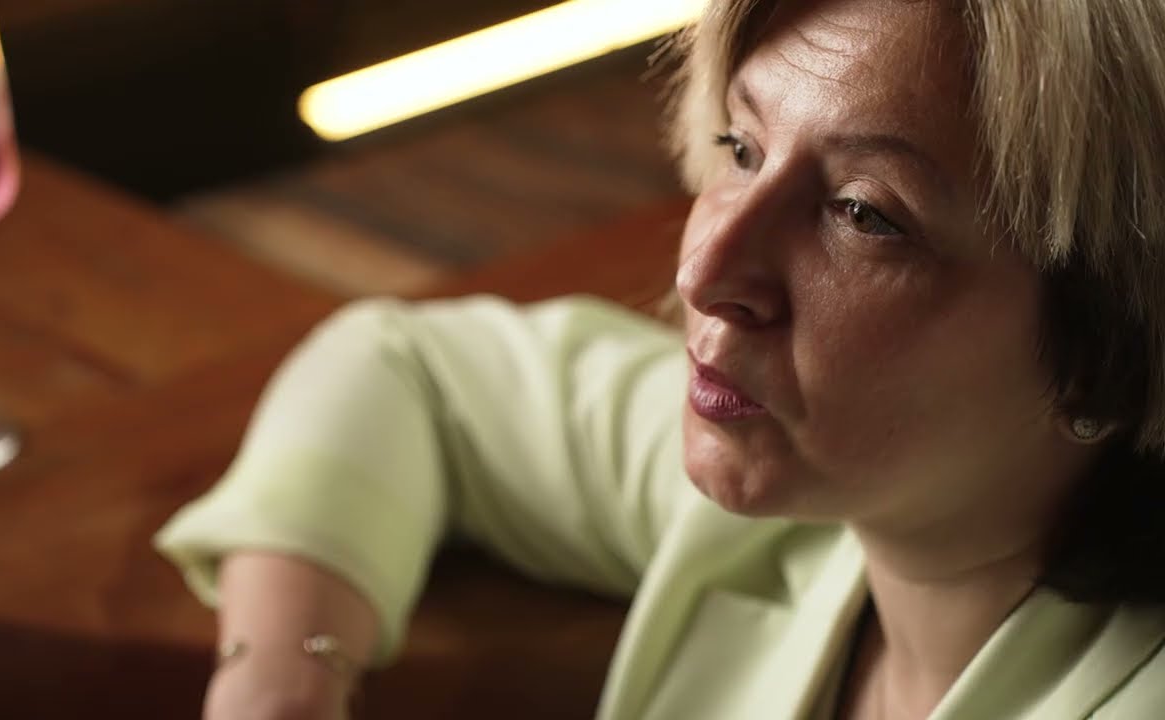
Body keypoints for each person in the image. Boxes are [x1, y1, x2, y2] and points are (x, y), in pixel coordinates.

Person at [155, 0, 1165, 717]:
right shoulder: (797, 513)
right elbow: (408, 370)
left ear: (1111, 338)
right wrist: (280, 678)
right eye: (741, 148)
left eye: (863, 215)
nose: (705, 269)